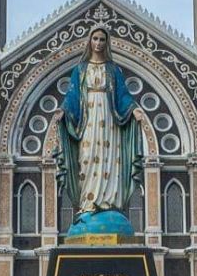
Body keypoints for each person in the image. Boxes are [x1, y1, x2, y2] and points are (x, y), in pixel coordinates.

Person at [55, 28, 148, 227]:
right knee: (87, 157)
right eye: (95, 39)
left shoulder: (113, 70)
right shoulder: (80, 70)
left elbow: (123, 95)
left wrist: (133, 110)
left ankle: (108, 202)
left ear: (107, 43)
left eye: (102, 39)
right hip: (88, 120)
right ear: (89, 42)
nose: (98, 43)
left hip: (108, 119)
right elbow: (72, 96)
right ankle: (88, 203)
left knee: (109, 158)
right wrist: (63, 110)